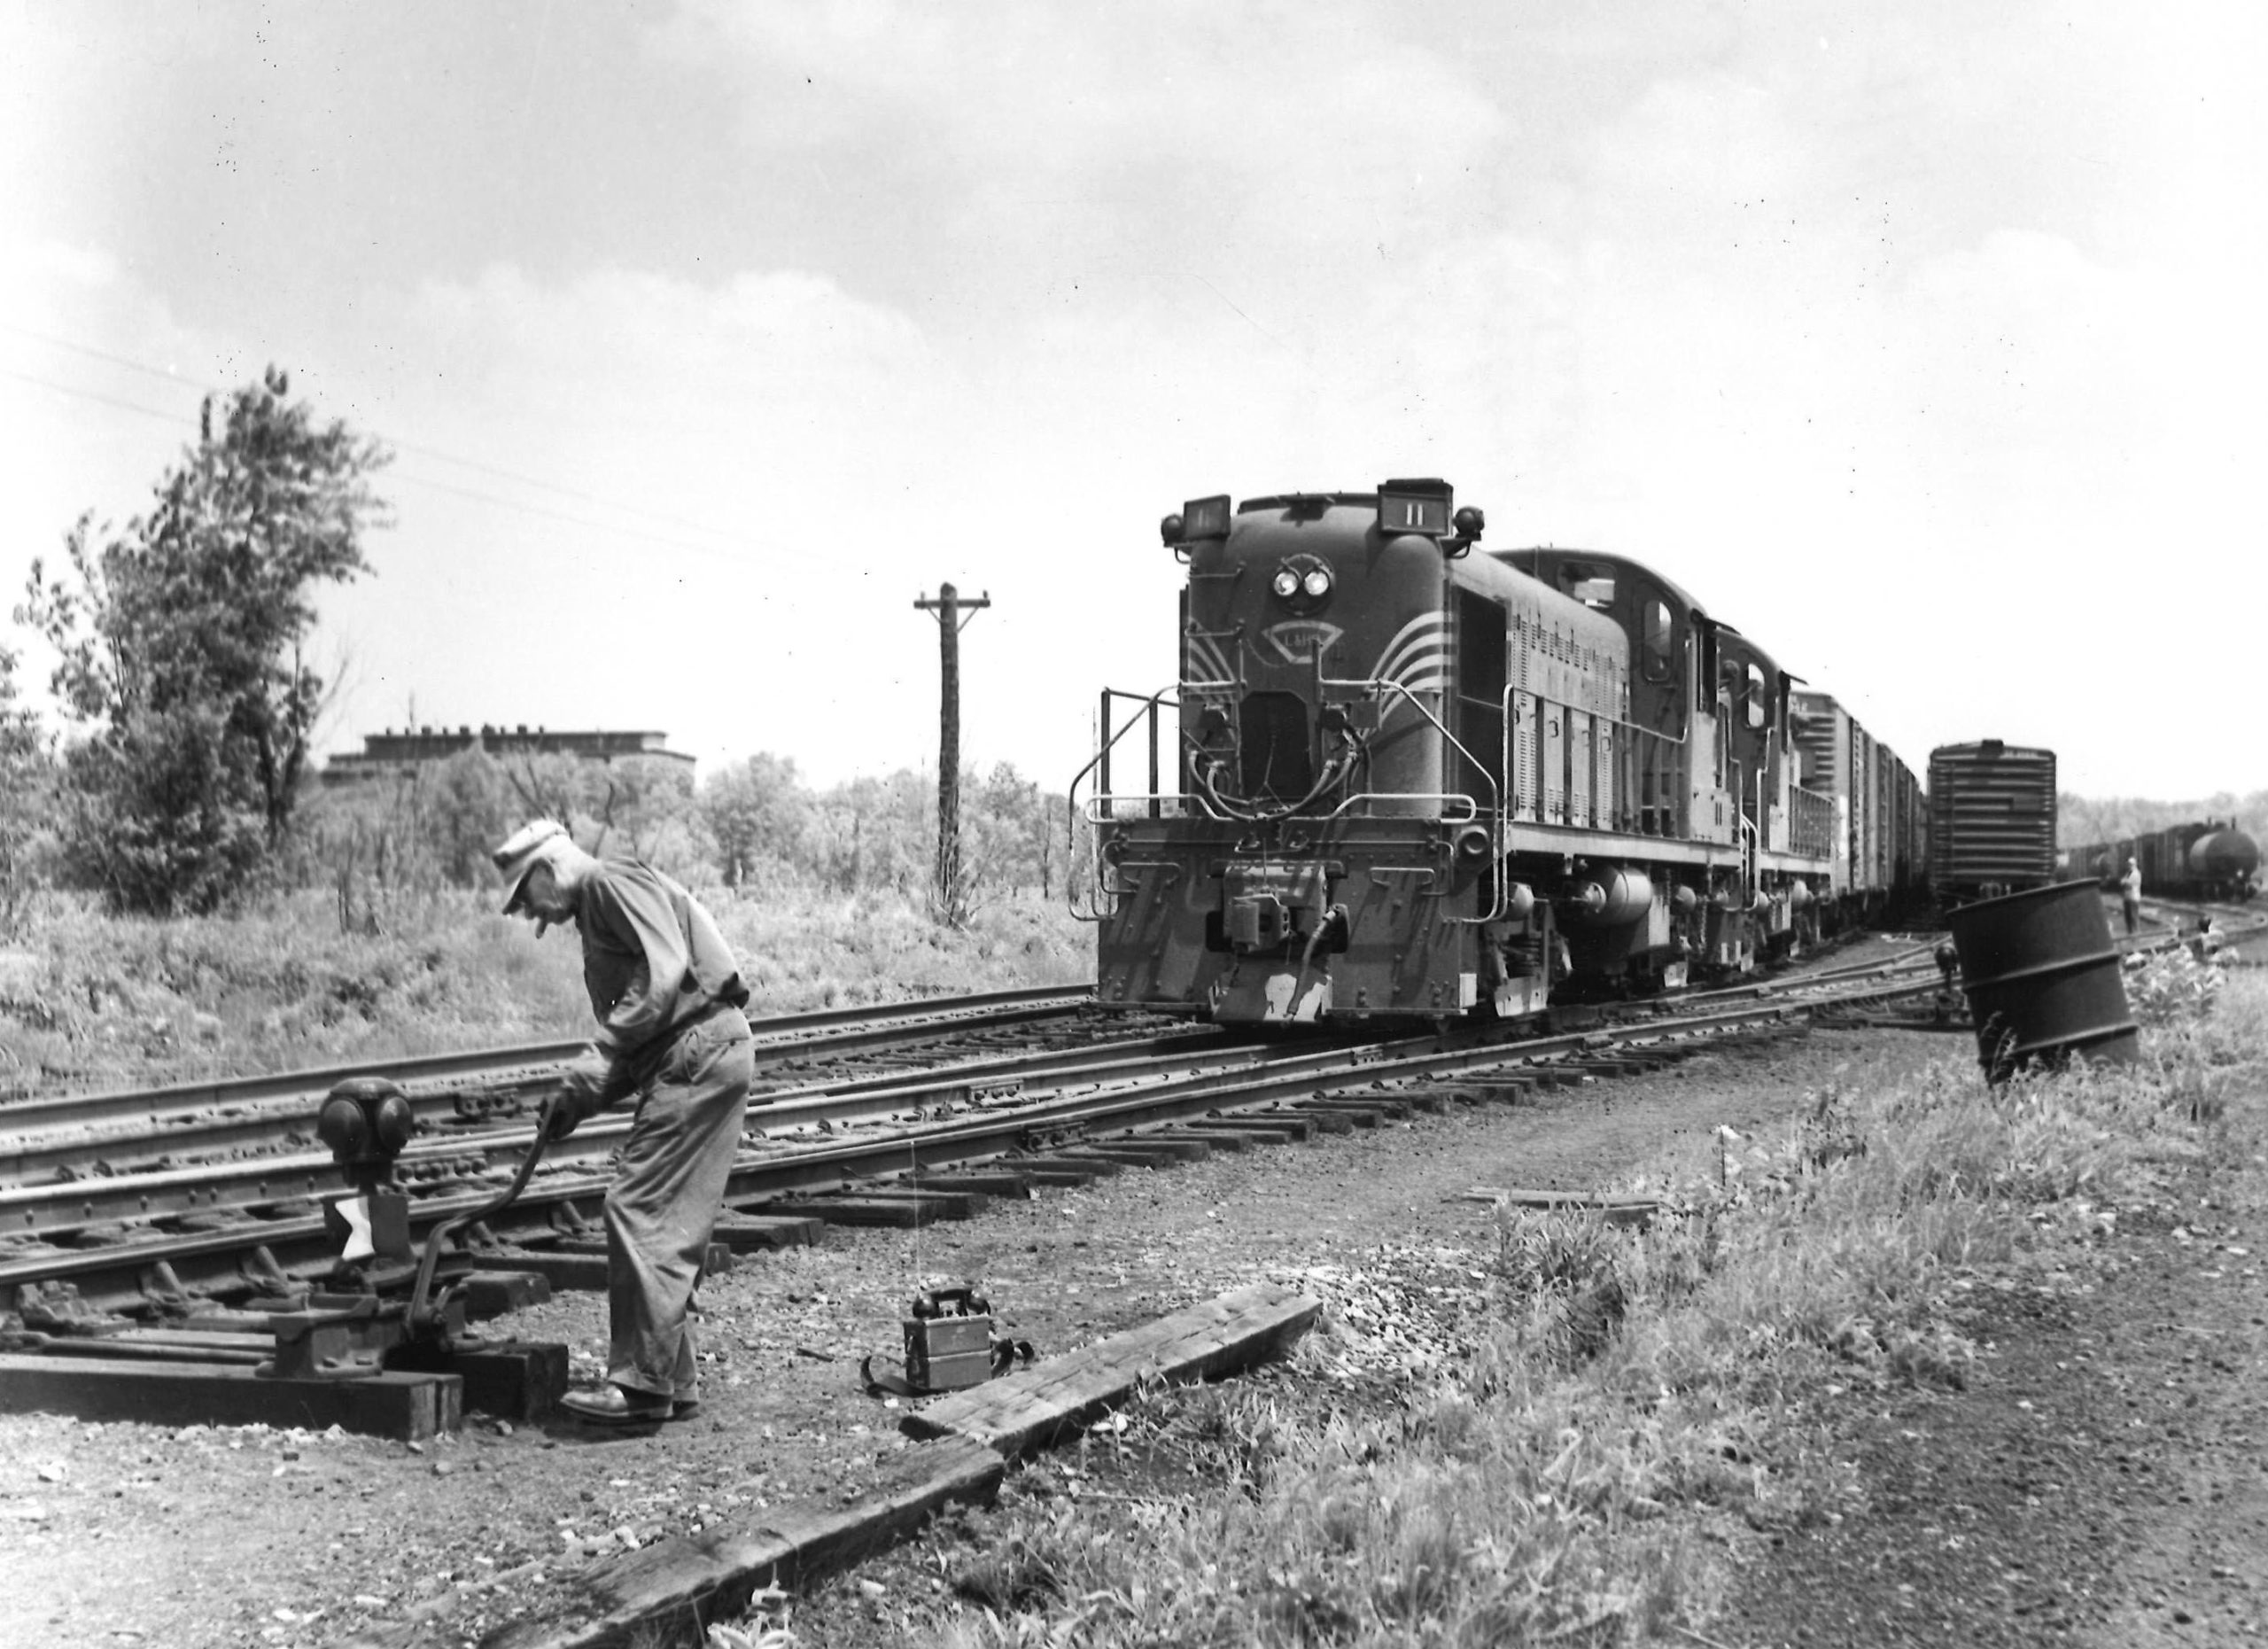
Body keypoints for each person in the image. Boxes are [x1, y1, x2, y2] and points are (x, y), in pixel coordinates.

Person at [493, 819, 754, 1426]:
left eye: (525, 896)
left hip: (698, 1050)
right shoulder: (597, 907)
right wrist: (580, 1096)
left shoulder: (611, 882)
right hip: (697, 1051)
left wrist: (594, 1058)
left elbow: (661, 979)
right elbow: (636, 1040)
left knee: (639, 1207)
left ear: (547, 868)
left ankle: (641, 1388)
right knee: (660, 1213)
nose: (531, 915)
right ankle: (671, 1380)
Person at [2120, 856, 2143, 936]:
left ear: (2134, 865)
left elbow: (2128, 884)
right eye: (2128, 864)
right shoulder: (2128, 873)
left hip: (2133, 898)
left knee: (2133, 918)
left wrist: (2125, 882)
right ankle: (2130, 934)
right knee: (2128, 919)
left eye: (2130, 864)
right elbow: (2122, 882)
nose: (2129, 866)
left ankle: (2136, 935)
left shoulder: (2136, 874)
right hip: (2127, 898)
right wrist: (2124, 882)